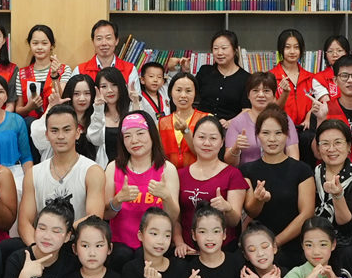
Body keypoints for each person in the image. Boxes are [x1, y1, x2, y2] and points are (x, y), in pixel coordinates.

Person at [241, 107, 316, 270]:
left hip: (293, 250)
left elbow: (307, 213)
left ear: (287, 135)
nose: (272, 139)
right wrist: (258, 200)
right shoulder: (246, 170)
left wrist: (275, 243)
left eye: (278, 133)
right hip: (257, 251)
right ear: (258, 135)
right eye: (266, 133)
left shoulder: (302, 170)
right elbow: (251, 211)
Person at [18, 105, 105, 244]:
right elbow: (24, 222)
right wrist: (36, 248)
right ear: (46, 134)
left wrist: (58, 237)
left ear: (77, 132)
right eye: (54, 130)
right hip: (42, 245)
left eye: (66, 130)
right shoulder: (33, 173)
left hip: (77, 245)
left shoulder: (92, 171)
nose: (60, 136)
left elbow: (94, 217)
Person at [106, 111, 180, 262]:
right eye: (127, 136)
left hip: (155, 247)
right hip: (120, 246)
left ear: (152, 135)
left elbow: (173, 217)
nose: (134, 140)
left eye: (140, 133)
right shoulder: (113, 168)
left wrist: (166, 197)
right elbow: (105, 214)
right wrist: (117, 200)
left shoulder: (167, 169)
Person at [174, 115, 245, 254]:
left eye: (213, 138)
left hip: (222, 253)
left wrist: (227, 208)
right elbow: (175, 218)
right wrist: (179, 243)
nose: (207, 143)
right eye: (201, 137)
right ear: (193, 140)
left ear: (222, 142)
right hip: (186, 252)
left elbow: (234, 221)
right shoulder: (179, 174)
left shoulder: (233, 174)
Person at [313, 119, 352, 275]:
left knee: (349, 254)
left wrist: (338, 195)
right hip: (313, 241)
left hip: (344, 245)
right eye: (325, 144)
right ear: (318, 148)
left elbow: (347, 226)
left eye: (338, 143)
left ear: (348, 146)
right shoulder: (312, 174)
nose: (331, 149)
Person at [271, 28, 325, 159]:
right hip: (281, 128)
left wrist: (308, 115)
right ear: (281, 49)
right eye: (287, 47)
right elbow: (271, 109)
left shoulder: (311, 78)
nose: (292, 51)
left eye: (296, 47)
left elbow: (321, 102)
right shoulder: (271, 77)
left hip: (306, 129)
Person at [225, 72, 299, 165]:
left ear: (274, 95)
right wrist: (236, 148)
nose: (261, 95)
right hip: (247, 176)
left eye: (266, 91)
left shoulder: (285, 120)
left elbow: (294, 156)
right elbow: (230, 163)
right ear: (248, 95)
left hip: (279, 173)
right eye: (255, 90)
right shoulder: (237, 122)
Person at [32, 72, 99, 162]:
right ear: (70, 94)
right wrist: (51, 108)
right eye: (76, 94)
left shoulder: (97, 118)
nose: (82, 98)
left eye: (87, 93)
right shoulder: (60, 117)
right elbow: (38, 140)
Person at [196, 29, 250, 124]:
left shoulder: (246, 78)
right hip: (202, 125)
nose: (219, 53)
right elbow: (191, 94)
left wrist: (230, 122)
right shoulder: (205, 71)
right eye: (215, 48)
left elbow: (247, 110)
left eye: (224, 48)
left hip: (230, 128)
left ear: (235, 50)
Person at [16, 24, 66, 121]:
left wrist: (55, 75)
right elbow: (18, 110)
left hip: (56, 119)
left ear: (51, 45)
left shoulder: (63, 69)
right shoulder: (21, 73)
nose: (39, 47)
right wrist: (28, 108)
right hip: (30, 122)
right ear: (30, 45)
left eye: (44, 43)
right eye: (35, 43)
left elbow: (61, 97)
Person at [158, 73, 208, 168]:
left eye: (188, 91)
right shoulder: (162, 123)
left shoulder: (206, 119)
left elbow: (204, 154)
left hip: (199, 175)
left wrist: (186, 131)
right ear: (170, 92)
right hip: (170, 176)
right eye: (178, 90)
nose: (183, 95)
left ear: (195, 94)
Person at [77, 19, 139, 96]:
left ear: (116, 41)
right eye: (99, 39)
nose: (104, 43)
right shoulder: (80, 70)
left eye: (108, 38)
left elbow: (136, 102)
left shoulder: (130, 70)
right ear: (93, 41)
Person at [87, 66, 134, 168]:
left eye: (114, 85)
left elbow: (142, 134)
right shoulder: (98, 113)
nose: (109, 90)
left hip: (132, 167)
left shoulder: (131, 109)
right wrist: (98, 109)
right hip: (106, 169)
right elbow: (95, 140)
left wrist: (136, 103)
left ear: (121, 86)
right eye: (104, 86)